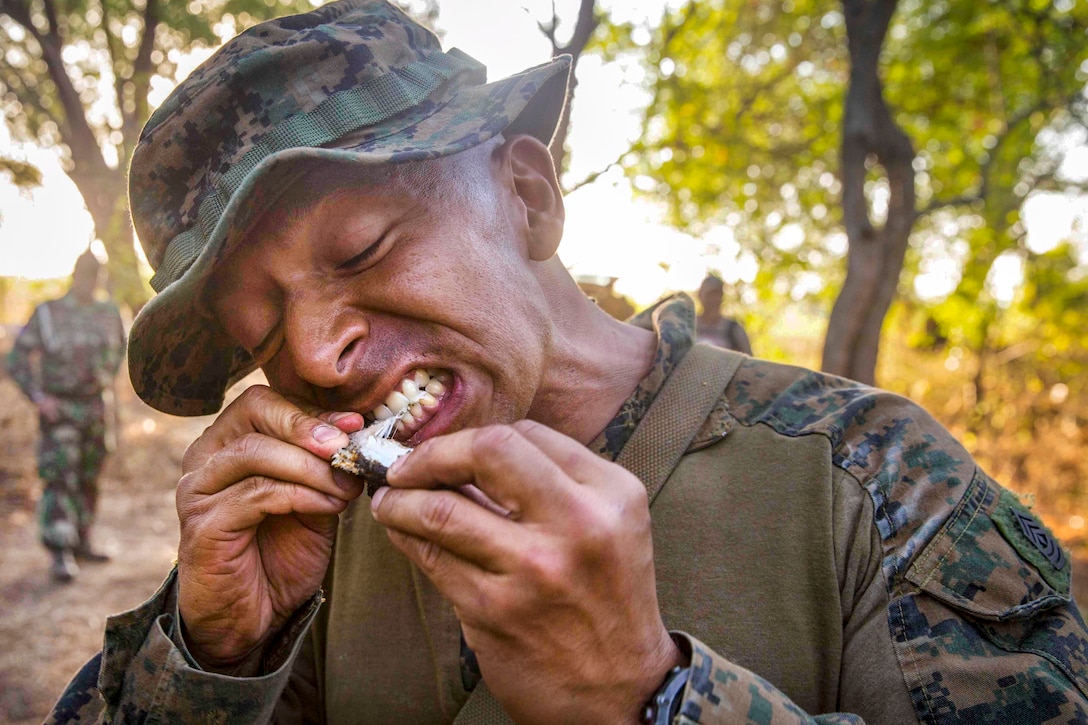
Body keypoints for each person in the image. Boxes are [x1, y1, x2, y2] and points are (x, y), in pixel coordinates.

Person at [47, 2, 1087, 723]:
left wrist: (644, 694)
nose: (316, 353)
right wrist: (212, 656)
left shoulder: (871, 484)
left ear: (528, 196)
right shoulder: (300, 539)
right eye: (264, 333)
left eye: (363, 250)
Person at [6, 249, 126, 582]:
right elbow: (16, 360)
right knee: (60, 479)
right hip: (59, 410)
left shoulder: (108, 312)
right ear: (76, 276)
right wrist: (39, 397)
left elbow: (120, 352)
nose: (92, 284)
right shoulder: (49, 313)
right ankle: (60, 551)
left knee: (90, 477)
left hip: (96, 409)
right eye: (87, 277)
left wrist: (102, 387)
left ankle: (82, 542)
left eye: (97, 278)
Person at [694, 274, 752, 354]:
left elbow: (749, 361)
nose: (713, 299)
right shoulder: (688, 327)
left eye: (717, 294)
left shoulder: (733, 329)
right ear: (700, 295)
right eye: (709, 294)